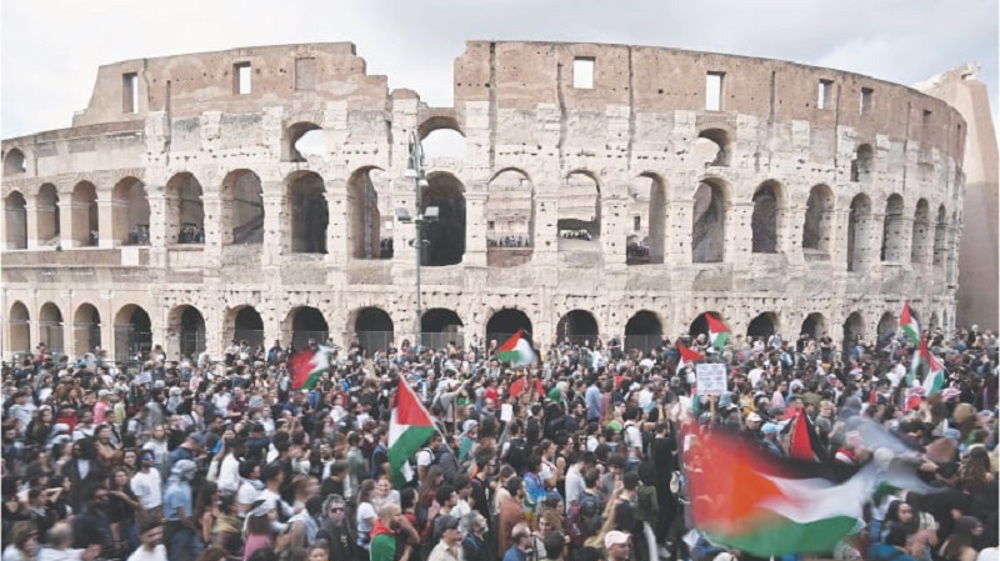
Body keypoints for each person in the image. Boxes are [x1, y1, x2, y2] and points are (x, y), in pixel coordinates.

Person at [164, 460, 201, 561]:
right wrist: (195, 529)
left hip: (186, 524)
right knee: (176, 554)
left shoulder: (185, 484)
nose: (193, 473)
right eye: (191, 471)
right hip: (178, 526)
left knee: (196, 550)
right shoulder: (176, 490)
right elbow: (182, 517)